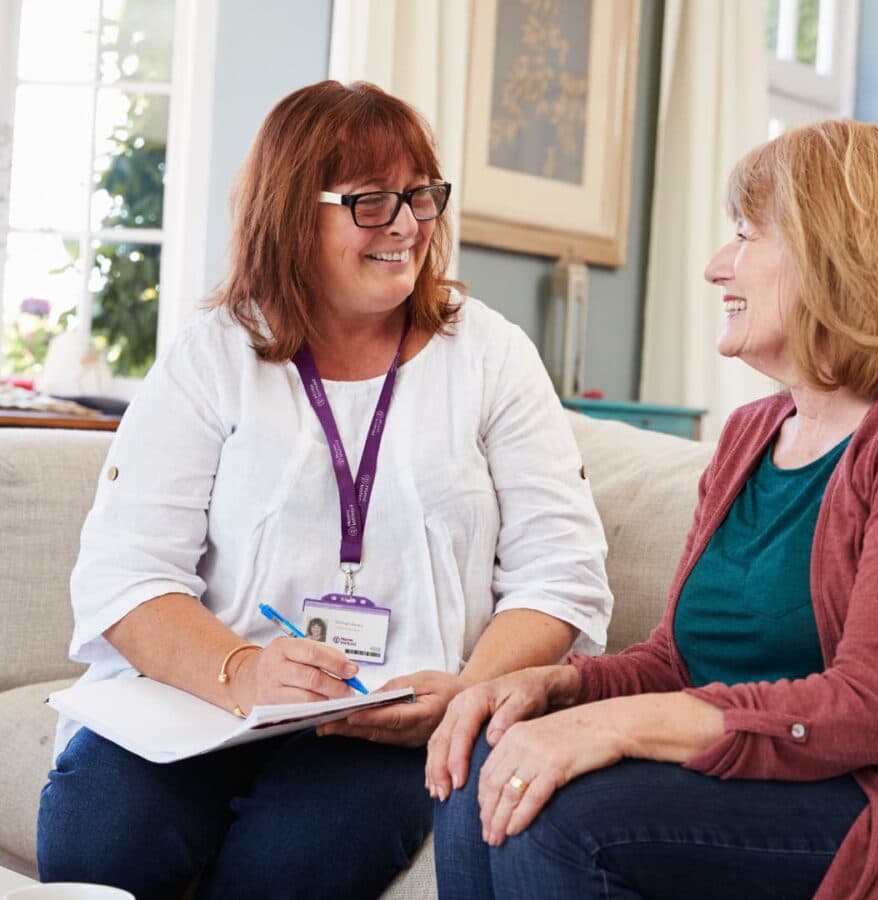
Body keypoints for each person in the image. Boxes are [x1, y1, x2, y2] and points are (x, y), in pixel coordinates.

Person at [36, 80, 612, 900]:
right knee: (96, 834)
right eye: (371, 201)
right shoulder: (213, 357)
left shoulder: (492, 356)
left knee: (291, 866)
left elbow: (561, 574)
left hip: (393, 723)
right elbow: (126, 576)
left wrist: (464, 693)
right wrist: (242, 670)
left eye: (420, 195)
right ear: (289, 214)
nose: (407, 225)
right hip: (208, 698)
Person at [428, 119, 878, 900]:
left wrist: (612, 727)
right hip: (772, 783)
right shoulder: (753, 432)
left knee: (560, 820)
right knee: (483, 767)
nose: (715, 266)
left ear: (842, 253)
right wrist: (555, 690)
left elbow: (872, 709)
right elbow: (678, 663)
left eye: (745, 236)